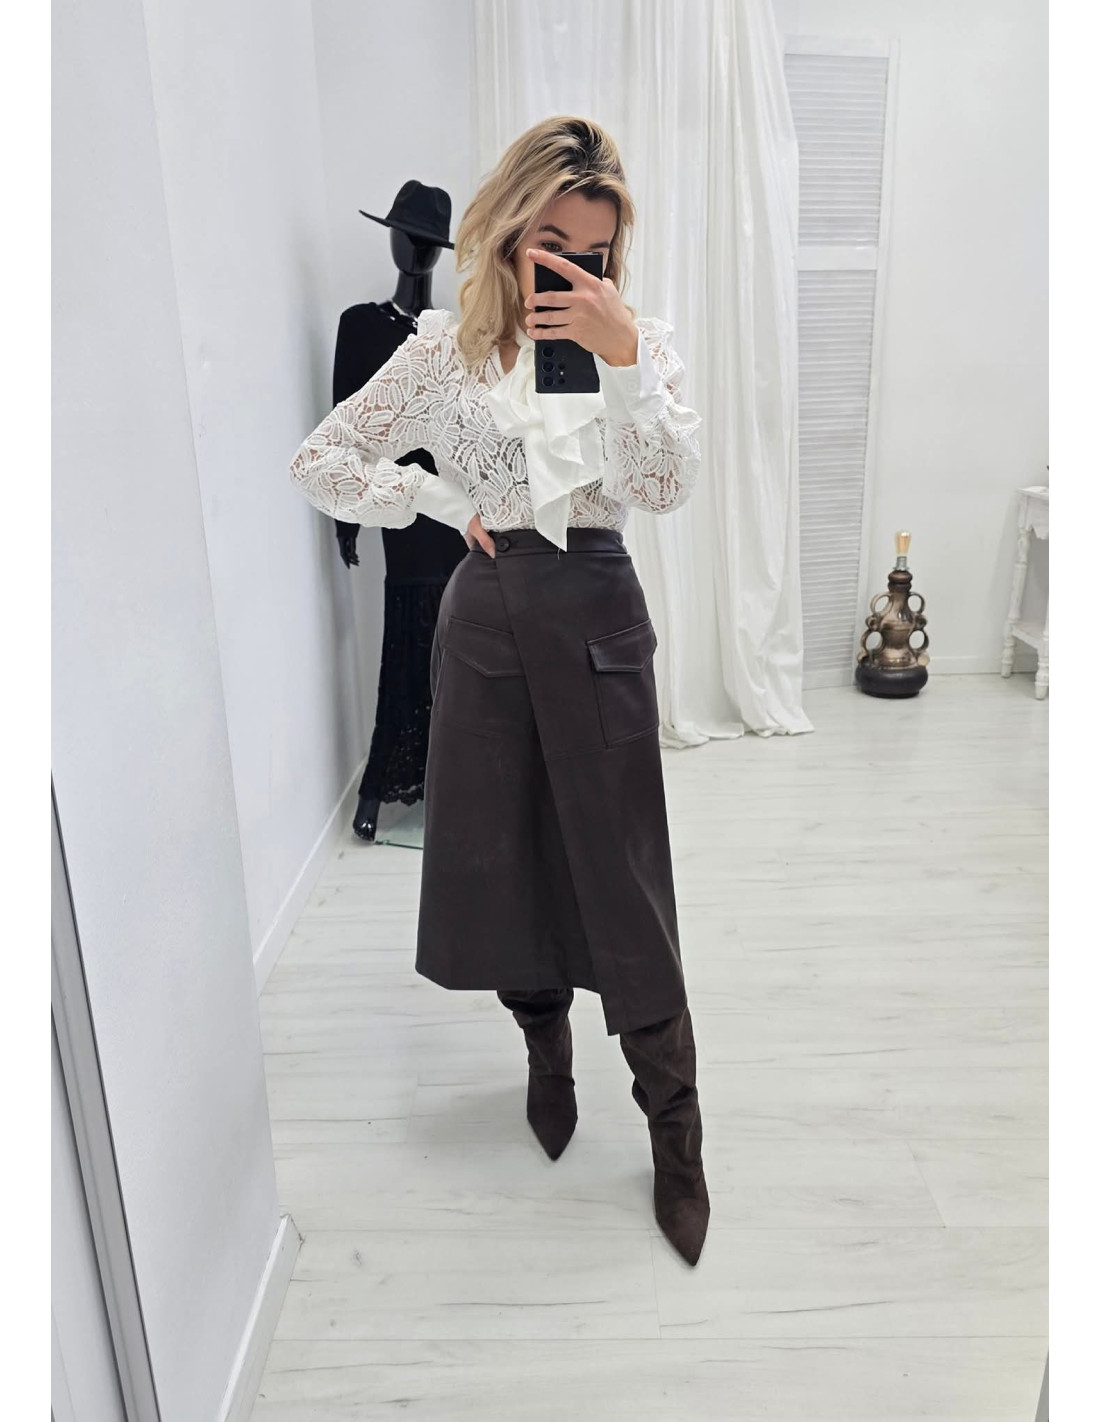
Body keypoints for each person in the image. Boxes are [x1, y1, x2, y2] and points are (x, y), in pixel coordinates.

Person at [289, 115, 708, 1266]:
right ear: (508, 232)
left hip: (598, 615)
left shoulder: (638, 345)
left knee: (623, 882)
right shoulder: (442, 355)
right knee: (507, 861)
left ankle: (674, 1134)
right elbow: (320, 460)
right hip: (485, 621)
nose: (571, 269)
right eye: (551, 244)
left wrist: (623, 358)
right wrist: (438, 502)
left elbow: (663, 487)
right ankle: (544, 1056)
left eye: (596, 253)